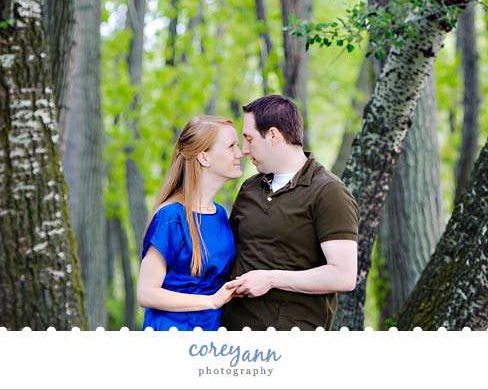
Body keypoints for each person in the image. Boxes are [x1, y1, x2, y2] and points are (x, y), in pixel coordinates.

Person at [222, 95, 359, 331]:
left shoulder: (328, 192)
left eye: (249, 139)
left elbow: (343, 276)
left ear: (273, 135)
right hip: (232, 338)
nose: (244, 150)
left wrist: (270, 279)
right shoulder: (249, 189)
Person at [137, 115, 243, 330]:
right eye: (231, 146)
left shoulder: (221, 214)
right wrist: (210, 301)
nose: (239, 153)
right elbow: (146, 293)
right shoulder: (171, 216)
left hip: (212, 334)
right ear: (204, 157)